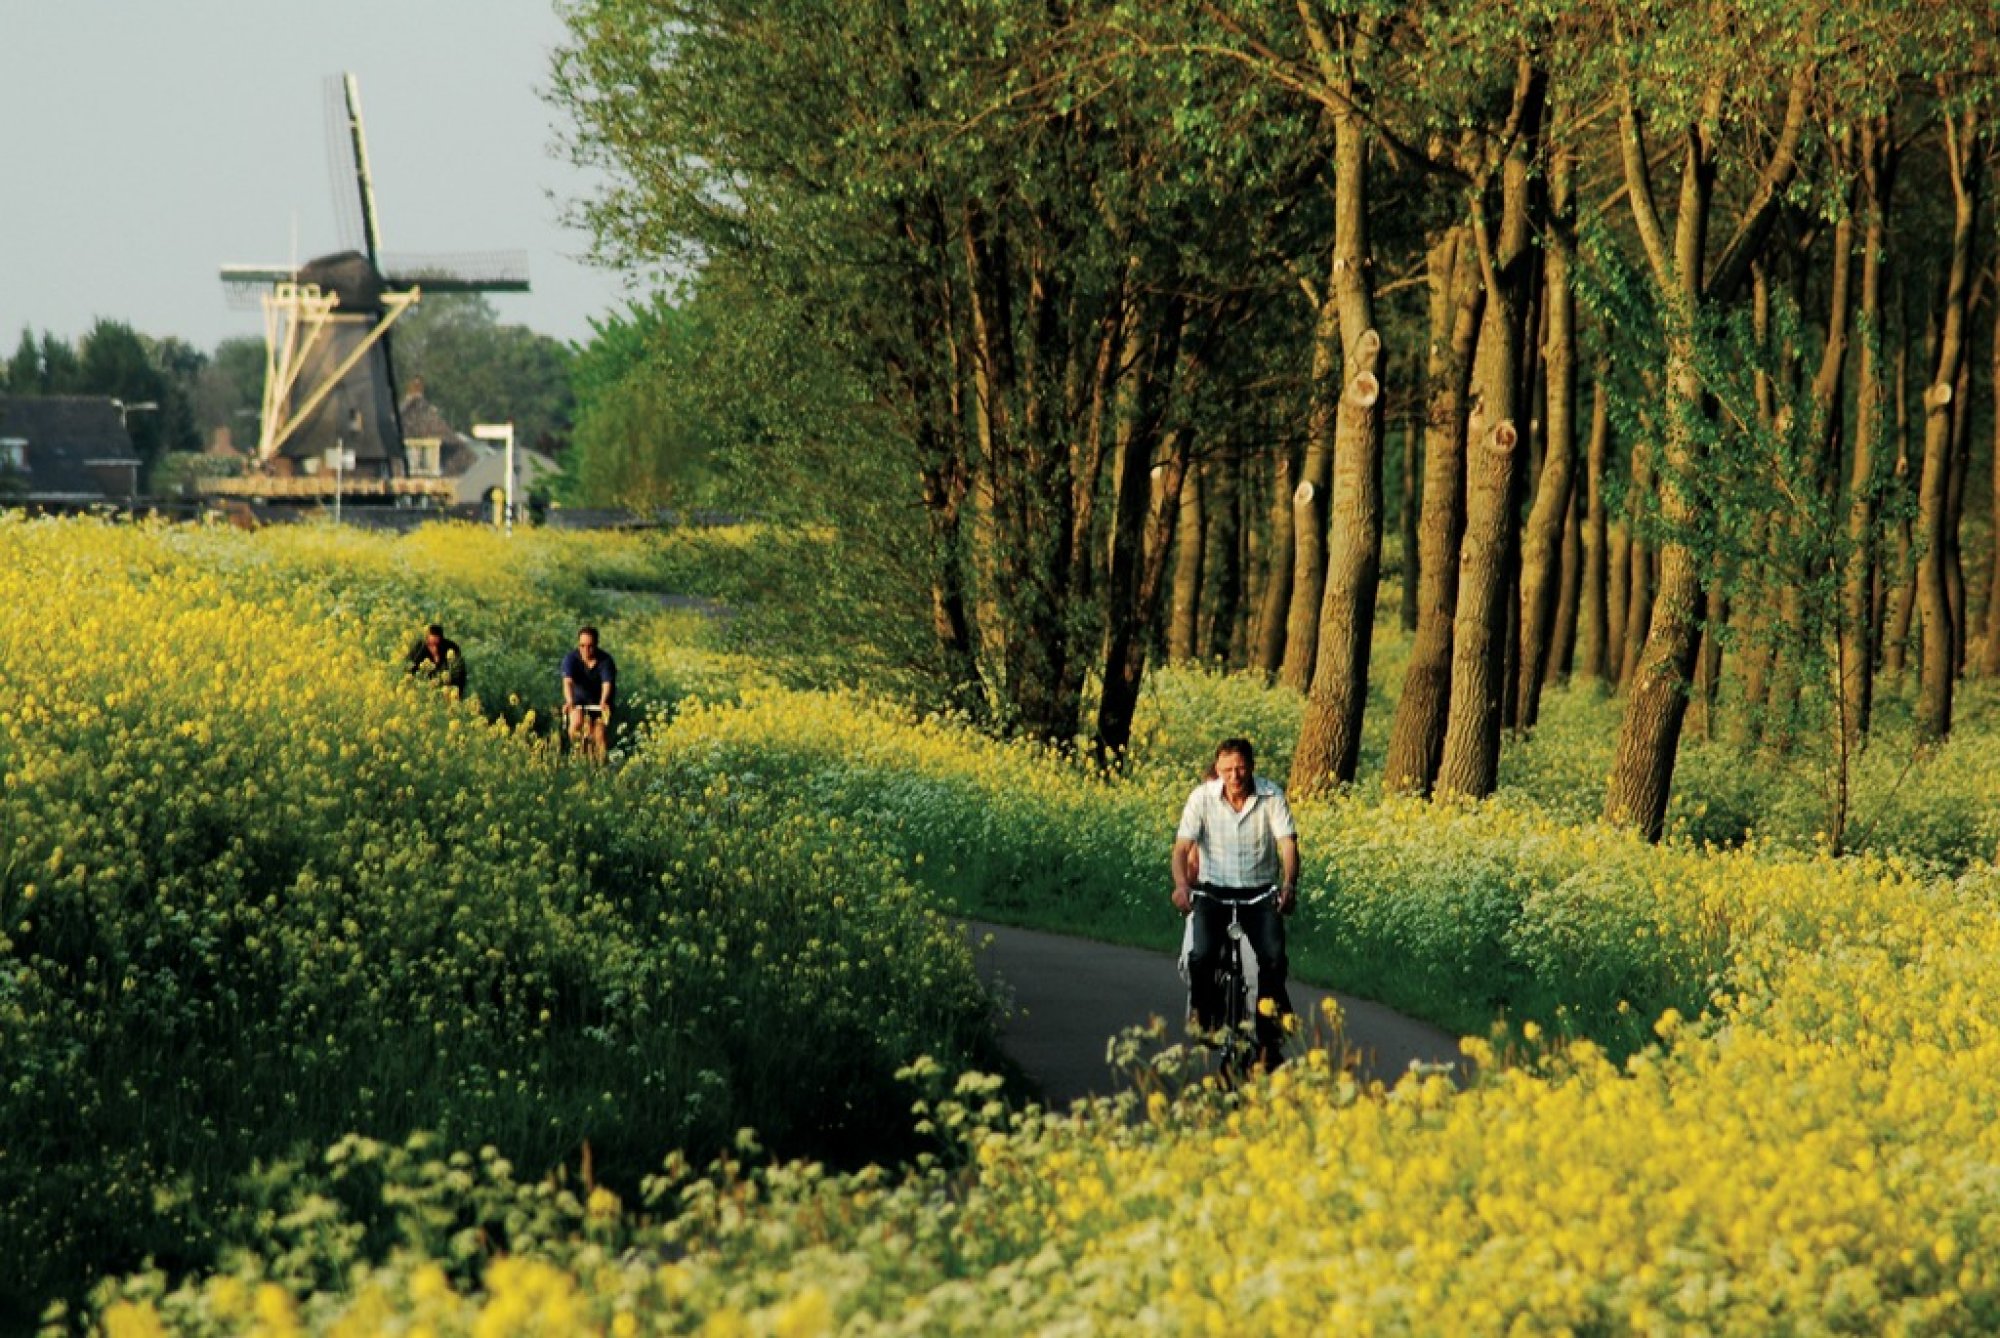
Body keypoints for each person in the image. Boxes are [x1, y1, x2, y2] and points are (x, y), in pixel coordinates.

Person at [1172, 737, 1300, 1069]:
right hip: (1214, 892)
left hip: (1258, 894)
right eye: (1227, 769)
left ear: (1252, 767)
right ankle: (1204, 1017)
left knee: (1273, 959)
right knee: (1201, 955)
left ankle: (1268, 1037)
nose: (1234, 776)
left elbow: (1287, 844)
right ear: (1217, 769)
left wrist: (1289, 885)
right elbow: (1182, 848)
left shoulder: (1271, 796)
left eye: (1241, 768)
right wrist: (1182, 886)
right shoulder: (1202, 798)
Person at [561, 625, 617, 762]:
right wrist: (569, 701)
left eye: (590, 646)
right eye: (582, 646)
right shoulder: (571, 659)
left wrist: (603, 701)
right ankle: (578, 756)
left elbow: (607, 684)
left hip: (599, 704)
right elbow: (568, 682)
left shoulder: (605, 661)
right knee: (576, 724)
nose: (586, 650)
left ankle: (601, 765)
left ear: (596, 645)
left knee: (599, 735)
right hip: (578, 701)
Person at [404, 623, 467, 697]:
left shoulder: (452, 648)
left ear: (442, 640)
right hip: (424, 688)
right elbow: (409, 668)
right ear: (427, 641)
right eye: (431, 644)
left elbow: (460, 674)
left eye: (437, 644)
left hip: (447, 689)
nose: (435, 648)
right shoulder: (419, 648)